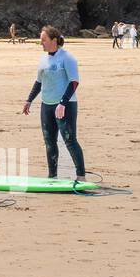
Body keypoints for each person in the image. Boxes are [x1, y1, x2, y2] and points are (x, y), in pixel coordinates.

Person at [21, 26, 88, 182]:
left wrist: (63, 103)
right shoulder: (43, 59)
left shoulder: (67, 58)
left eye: (44, 40)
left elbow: (74, 82)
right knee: (49, 142)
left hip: (66, 105)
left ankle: (81, 176)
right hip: (47, 105)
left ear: (54, 40)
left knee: (69, 140)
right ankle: (53, 176)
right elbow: (39, 82)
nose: (41, 43)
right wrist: (29, 100)